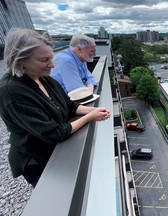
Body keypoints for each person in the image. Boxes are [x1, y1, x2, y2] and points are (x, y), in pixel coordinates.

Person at [0, 28, 111, 188]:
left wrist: (93, 110)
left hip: (53, 149)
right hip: (36, 159)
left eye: (51, 58)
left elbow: (69, 105)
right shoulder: (11, 91)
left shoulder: (42, 78)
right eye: (44, 60)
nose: (52, 64)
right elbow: (54, 133)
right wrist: (90, 117)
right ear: (20, 60)